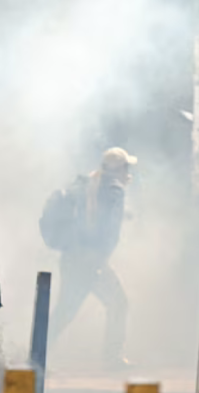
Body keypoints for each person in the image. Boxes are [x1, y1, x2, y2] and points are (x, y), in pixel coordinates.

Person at [43, 147, 136, 369]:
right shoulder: (115, 191)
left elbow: (90, 216)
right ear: (119, 169)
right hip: (90, 260)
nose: (128, 172)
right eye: (126, 167)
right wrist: (98, 259)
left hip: (72, 256)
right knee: (118, 303)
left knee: (66, 309)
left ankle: (37, 354)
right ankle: (112, 358)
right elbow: (106, 229)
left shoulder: (87, 184)